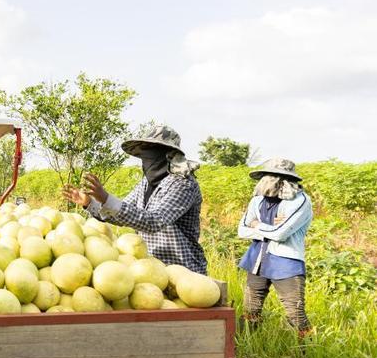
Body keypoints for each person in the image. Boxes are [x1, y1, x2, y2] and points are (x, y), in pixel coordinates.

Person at [62, 124, 208, 274]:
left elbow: (154, 221)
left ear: (168, 156)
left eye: (151, 154)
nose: (146, 161)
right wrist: (90, 203)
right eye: (144, 156)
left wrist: (106, 198)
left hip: (183, 272)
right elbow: (121, 213)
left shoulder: (183, 184)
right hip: (152, 269)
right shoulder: (146, 184)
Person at [237, 158, 312, 337]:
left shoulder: (300, 201)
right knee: (251, 308)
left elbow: (281, 235)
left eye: (276, 177)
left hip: (287, 263)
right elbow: (242, 230)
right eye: (267, 176)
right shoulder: (257, 200)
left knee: (295, 313)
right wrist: (271, 226)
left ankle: (306, 356)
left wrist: (258, 224)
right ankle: (247, 347)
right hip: (257, 259)